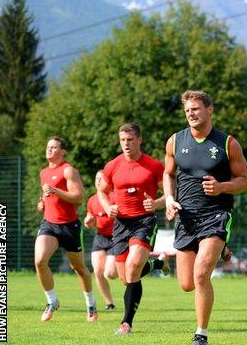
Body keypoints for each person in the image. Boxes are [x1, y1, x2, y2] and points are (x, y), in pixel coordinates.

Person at [164, 90, 247, 345]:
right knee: (187, 284)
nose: (191, 114)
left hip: (216, 215)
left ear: (209, 110)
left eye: (196, 109)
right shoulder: (174, 141)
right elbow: (168, 174)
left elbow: (245, 180)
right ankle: (222, 250)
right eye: (187, 110)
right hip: (186, 217)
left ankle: (200, 334)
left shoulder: (227, 143)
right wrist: (169, 199)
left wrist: (222, 187)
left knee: (202, 274)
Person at [97, 123, 166, 335]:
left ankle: (126, 323)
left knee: (134, 265)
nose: (126, 144)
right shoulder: (112, 166)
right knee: (126, 278)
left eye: (130, 140)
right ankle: (156, 264)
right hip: (121, 225)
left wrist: (155, 204)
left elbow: (172, 194)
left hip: (144, 221)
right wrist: (108, 207)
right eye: (122, 140)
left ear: (139, 140)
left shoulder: (154, 166)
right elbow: (101, 191)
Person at [35, 136, 98, 322]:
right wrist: (41, 203)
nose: (49, 150)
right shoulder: (43, 172)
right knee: (40, 261)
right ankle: (52, 302)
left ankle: (91, 305)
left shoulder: (68, 170)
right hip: (49, 224)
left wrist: (56, 191)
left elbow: (78, 198)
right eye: (48, 147)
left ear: (63, 151)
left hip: (69, 226)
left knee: (79, 268)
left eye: (54, 147)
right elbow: (46, 195)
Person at [84, 170, 118, 310]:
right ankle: (109, 303)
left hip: (117, 237)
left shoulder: (115, 196)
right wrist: (88, 221)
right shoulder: (92, 200)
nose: (98, 181)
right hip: (100, 237)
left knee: (110, 273)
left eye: (101, 178)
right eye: (96, 178)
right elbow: (88, 222)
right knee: (97, 271)